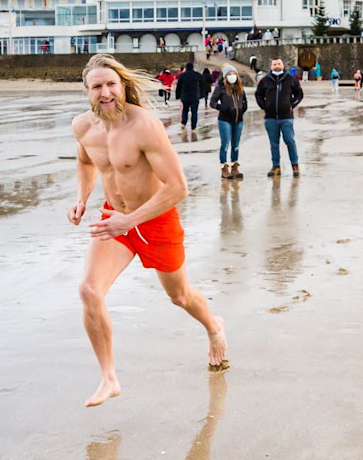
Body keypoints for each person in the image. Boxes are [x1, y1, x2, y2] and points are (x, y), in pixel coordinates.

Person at [66, 55, 228, 407]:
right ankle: (108, 378)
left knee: (180, 296)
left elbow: (178, 187)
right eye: (97, 86)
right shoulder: (83, 127)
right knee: (89, 291)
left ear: (122, 86)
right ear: (87, 92)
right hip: (115, 221)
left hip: (155, 218)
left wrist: (131, 220)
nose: (105, 92)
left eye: (111, 84)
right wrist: (82, 199)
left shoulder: (144, 125)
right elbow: (84, 161)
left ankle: (214, 327)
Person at [254, 56, 304, 178]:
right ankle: (276, 166)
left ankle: (295, 165)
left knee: (290, 141)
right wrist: (264, 106)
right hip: (270, 118)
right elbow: (258, 94)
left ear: (282, 65)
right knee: (274, 143)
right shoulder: (265, 80)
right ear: (271, 66)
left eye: (278, 64)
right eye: (274, 64)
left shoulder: (290, 79)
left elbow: (299, 94)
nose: (277, 66)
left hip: (286, 117)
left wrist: (292, 105)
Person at [211, 67, 248, 180]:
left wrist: (243, 109)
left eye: (234, 73)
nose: (232, 76)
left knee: (235, 145)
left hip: (238, 119)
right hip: (225, 120)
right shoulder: (220, 88)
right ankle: (224, 167)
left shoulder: (240, 88)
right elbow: (212, 102)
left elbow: (244, 101)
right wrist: (221, 107)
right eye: (229, 74)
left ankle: (235, 166)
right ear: (225, 76)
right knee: (225, 144)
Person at [174, 61, 205, 136]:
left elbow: (178, 87)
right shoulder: (197, 75)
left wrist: (177, 96)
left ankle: (184, 123)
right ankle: (193, 127)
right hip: (195, 96)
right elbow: (202, 85)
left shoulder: (182, 76)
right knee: (194, 112)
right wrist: (201, 95)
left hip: (185, 97)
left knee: (185, 110)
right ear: (193, 68)